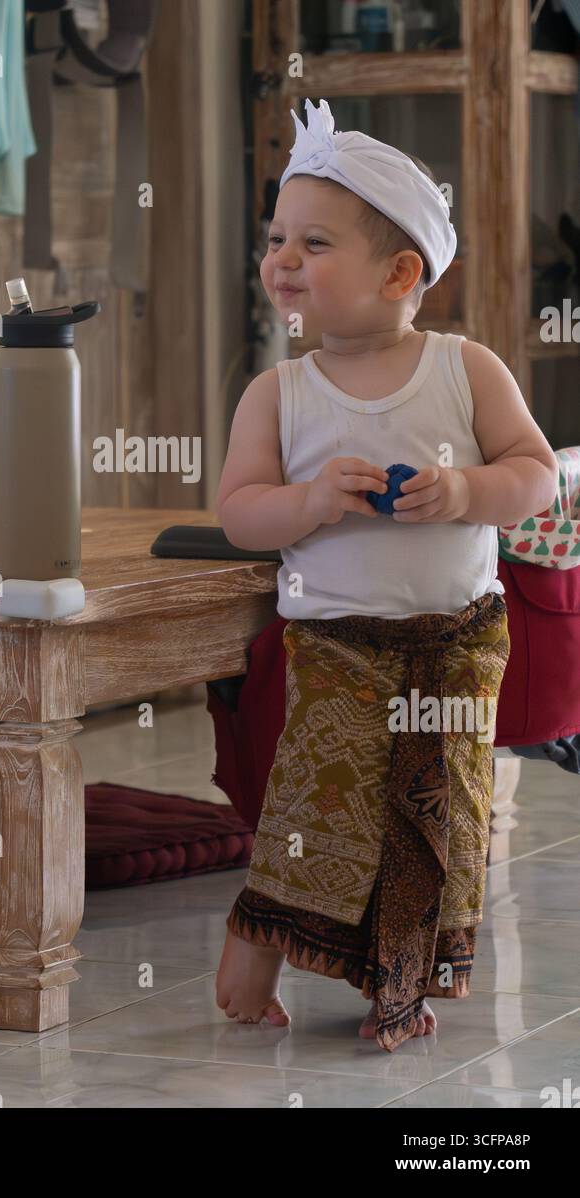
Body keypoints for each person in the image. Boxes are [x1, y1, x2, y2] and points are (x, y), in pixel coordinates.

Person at [214, 99, 559, 1051]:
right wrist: (313, 501)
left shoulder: (465, 368)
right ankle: (256, 947)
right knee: (316, 809)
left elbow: (534, 476)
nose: (282, 258)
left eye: (313, 241)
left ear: (400, 272)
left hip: (453, 646)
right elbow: (241, 509)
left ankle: (400, 987)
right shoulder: (278, 393)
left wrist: (460, 491)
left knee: (433, 821)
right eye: (277, 236)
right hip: (337, 644)